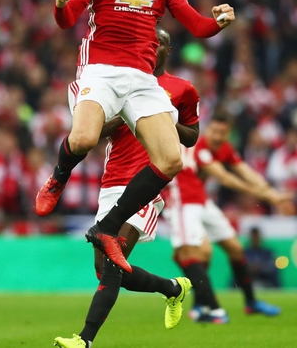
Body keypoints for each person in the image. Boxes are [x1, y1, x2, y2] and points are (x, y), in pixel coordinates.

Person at [34, 0, 235, 273]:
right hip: (101, 69)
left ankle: (109, 227)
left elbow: (196, 24)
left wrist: (218, 22)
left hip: (142, 78)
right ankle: (57, 178)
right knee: (82, 139)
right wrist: (60, 4)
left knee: (171, 159)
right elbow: (68, 19)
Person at [54, 28, 196, 348]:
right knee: (104, 267)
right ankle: (173, 288)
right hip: (113, 181)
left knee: (114, 262)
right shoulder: (115, 83)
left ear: (167, 50)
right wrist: (123, 114)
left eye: (160, 43)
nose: (153, 47)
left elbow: (193, 135)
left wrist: (162, 118)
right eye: (149, 42)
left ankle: (84, 340)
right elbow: (97, 132)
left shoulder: (181, 89)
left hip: (147, 185)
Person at [165, 110, 294, 323]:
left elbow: (244, 170)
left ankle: (250, 302)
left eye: (221, 132)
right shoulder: (201, 147)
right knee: (201, 251)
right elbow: (224, 178)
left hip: (201, 200)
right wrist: (266, 196)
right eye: (214, 130)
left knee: (235, 248)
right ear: (208, 129)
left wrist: (273, 194)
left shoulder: (223, 148)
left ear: (228, 133)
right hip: (182, 201)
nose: (216, 136)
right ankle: (202, 306)